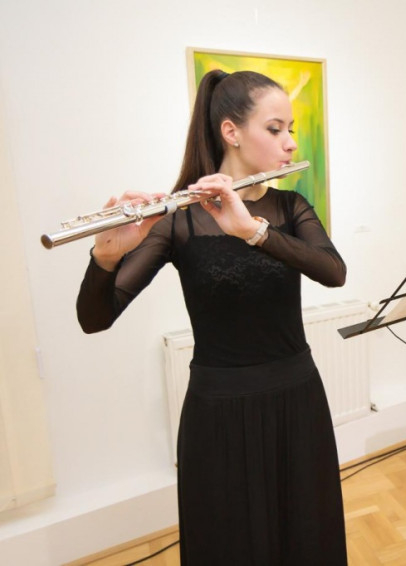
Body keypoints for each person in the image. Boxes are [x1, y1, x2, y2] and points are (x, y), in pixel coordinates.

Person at [76, 70, 348, 564]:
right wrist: (105, 258)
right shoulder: (178, 220)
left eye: (290, 130)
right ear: (231, 132)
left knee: (305, 537)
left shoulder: (290, 207)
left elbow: (334, 272)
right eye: (275, 129)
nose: (290, 143)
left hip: (296, 400)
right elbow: (96, 318)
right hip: (218, 411)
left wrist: (254, 231)